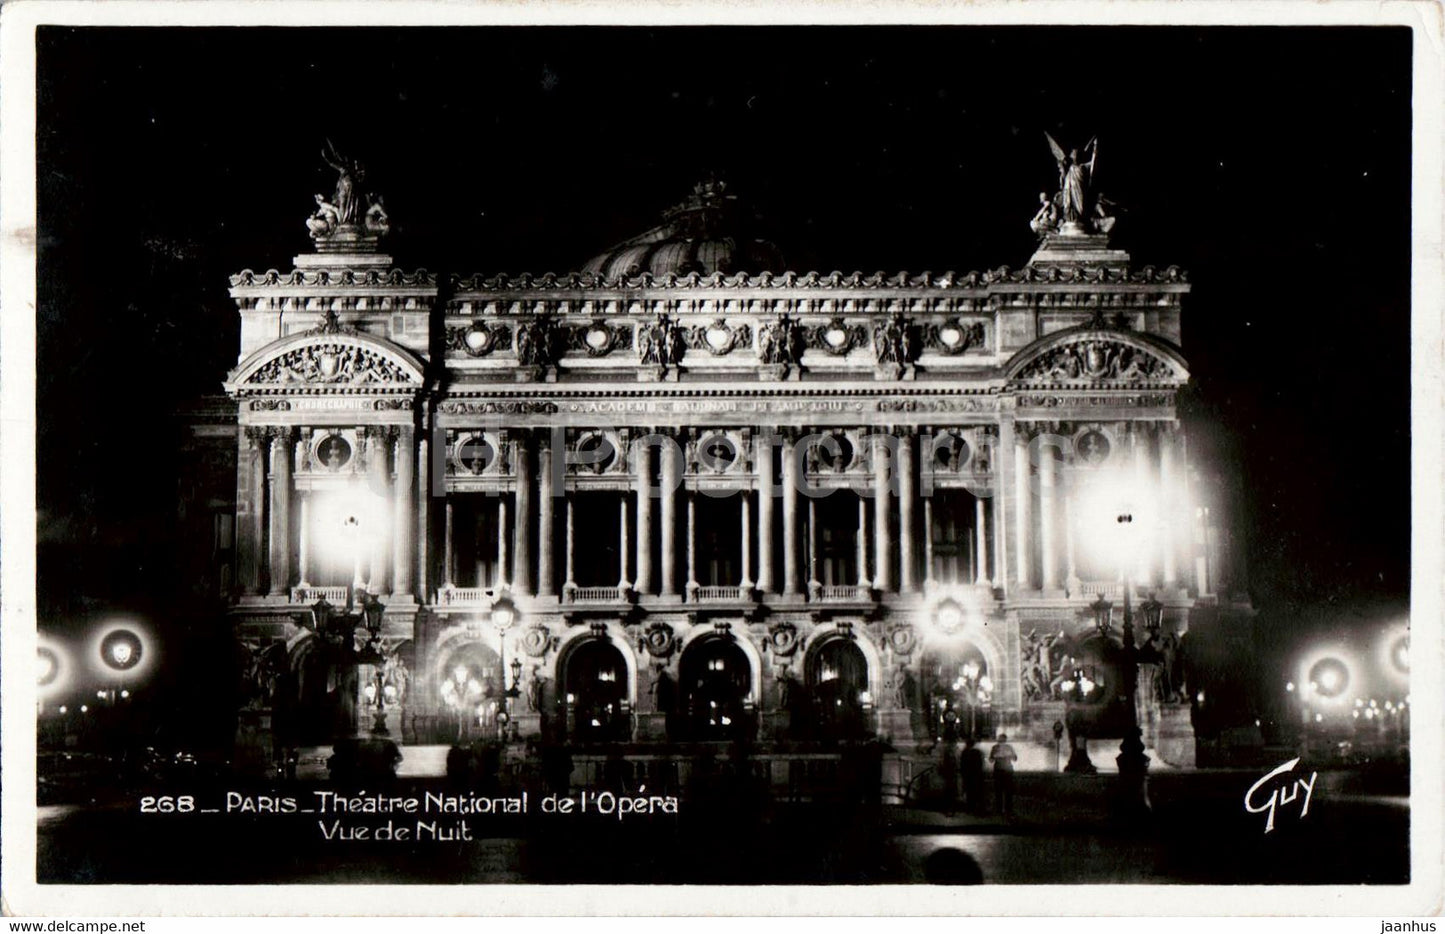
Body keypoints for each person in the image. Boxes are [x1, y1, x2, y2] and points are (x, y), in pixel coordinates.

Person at [989, 732, 1018, 816]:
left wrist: (997, 756)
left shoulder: (996, 747)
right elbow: (1015, 758)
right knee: (1006, 791)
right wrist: (1008, 756)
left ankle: (1001, 809)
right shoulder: (1008, 747)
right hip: (1006, 770)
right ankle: (1007, 809)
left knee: (1000, 791)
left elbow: (991, 760)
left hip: (1000, 770)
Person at [960, 736, 986, 814]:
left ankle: (970, 807)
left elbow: (962, 764)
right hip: (977, 774)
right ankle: (979, 807)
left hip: (968, 774)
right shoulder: (978, 752)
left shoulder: (964, 752)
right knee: (978, 791)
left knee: (969, 791)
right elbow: (981, 763)